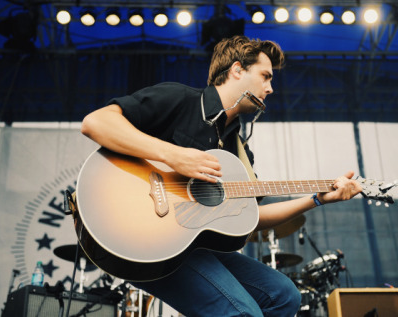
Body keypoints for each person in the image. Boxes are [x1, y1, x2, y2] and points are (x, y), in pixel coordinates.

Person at [81, 35, 362, 316]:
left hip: (192, 245)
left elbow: (250, 219)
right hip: (139, 235)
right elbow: (96, 123)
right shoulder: (180, 100)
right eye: (265, 77)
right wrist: (172, 155)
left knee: (284, 295)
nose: (271, 88)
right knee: (243, 313)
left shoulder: (240, 155)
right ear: (237, 70)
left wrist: (317, 199)